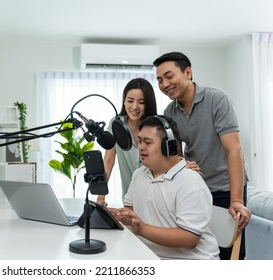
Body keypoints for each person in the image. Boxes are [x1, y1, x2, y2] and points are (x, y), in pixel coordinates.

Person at [153, 51, 251, 260]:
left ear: (188, 72)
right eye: (160, 80)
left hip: (226, 185)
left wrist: (236, 200)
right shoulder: (170, 111)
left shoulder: (217, 99)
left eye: (169, 76)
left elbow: (234, 150)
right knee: (201, 249)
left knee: (229, 250)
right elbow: (176, 157)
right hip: (198, 187)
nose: (164, 84)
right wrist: (183, 165)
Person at [110, 115, 220, 260]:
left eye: (148, 142)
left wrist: (142, 229)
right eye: (140, 141)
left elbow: (190, 238)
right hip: (149, 256)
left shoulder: (190, 182)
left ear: (168, 146)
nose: (141, 147)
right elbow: (132, 213)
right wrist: (120, 216)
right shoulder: (138, 175)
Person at [97, 78, 157, 206]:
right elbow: (108, 161)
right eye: (130, 101)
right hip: (129, 199)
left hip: (156, 198)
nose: (135, 107)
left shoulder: (158, 127)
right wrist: (100, 198)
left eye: (141, 102)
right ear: (124, 101)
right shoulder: (116, 124)